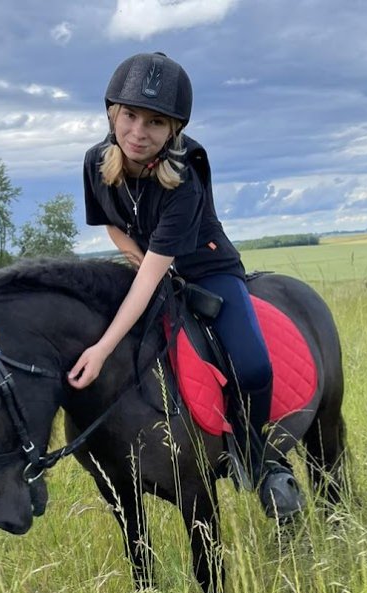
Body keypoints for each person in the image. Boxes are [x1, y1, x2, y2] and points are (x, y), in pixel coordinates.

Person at [67, 52, 300, 516]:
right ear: (112, 112)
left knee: (253, 367)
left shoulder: (184, 176)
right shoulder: (97, 160)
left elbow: (155, 277)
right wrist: (131, 254)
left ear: (173, 129)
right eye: (130, 115)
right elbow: (109, 224)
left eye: (155, 122)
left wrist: (103, 347)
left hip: (209, 269)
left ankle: (260, 459)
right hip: (149, 263)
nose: (138, 131)